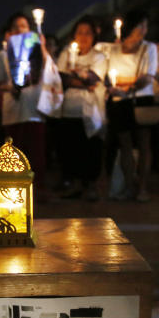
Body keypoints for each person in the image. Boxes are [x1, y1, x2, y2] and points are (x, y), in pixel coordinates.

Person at [0, 12, 55, 196]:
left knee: (37, 151)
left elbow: (49, 70)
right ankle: (15, 191)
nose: (20, 29)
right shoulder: (3, 54)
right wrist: (10, 88)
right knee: (14, 152)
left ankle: (39, 188)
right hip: (13, 110)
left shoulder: (37, 51)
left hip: (34, 108)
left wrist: (42, 46)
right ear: (10, 32)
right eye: (16, 26)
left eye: (24, 26)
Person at [105, 10, 158, 202]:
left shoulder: (148, 48)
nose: (143, 30)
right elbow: (110, 77)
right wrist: (126, 84)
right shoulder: (114, 49)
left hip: (142, 99)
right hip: (120, 102)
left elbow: (147, 77)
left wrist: (125, 86)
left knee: (144, 144)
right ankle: (129, 185)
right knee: (125, 145)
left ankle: (142, 187)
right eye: (140, 25)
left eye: (145, 25)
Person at [57, 15, 106, 201]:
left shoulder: (99, 56)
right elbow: (62, 79)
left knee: (91, 149)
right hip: (69, 110)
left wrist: (75, 80)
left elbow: (94, 79)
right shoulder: (66, 54)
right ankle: (75, 184)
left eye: (88, 33)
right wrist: (82, 81)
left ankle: (91, 185)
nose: (83, 36)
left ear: (94, 36)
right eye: (80, 32)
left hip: (91, 111)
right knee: (71, 148)